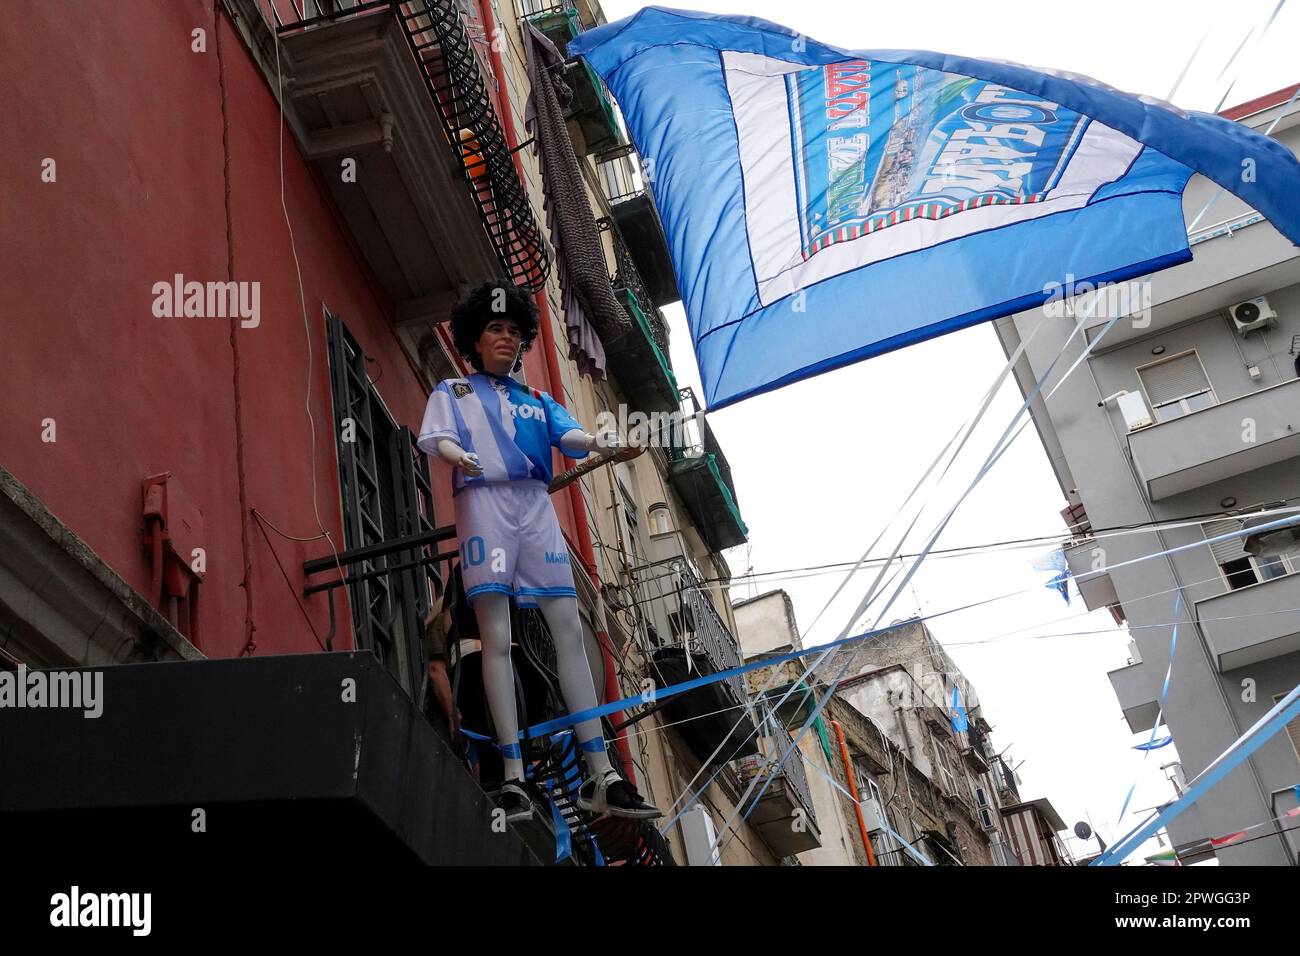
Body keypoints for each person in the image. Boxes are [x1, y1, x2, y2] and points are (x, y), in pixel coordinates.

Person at [416, 281, 660, 823]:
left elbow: (570, 438)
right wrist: (460, 454)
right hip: (484, 507)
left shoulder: (539, 401)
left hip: (534, 510)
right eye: (495, 330)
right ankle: (512, 777)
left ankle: (601, 772)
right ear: (474, 340)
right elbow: (434, 439)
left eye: (514, 331)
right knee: (496, 639)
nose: (506, 339)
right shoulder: (453, 392)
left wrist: (599, 443)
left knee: (569, 633)